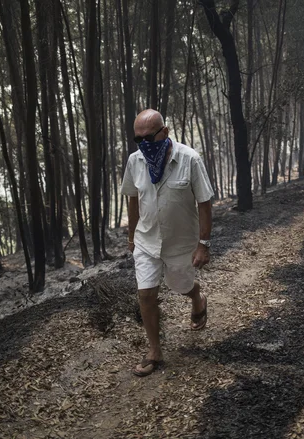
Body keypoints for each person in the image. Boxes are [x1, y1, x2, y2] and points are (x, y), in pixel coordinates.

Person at [121, 109, 214, 377]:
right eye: (139, 139)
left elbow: (205, 201)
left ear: (166, 131)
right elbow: (132, 197)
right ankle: (155, 351)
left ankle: (197, 297)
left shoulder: (189, 159)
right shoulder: (135, 161)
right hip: (146, 240)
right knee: (146, 295)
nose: (145, 144)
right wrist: (131, 235)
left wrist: (203, 243)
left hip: (180, 241)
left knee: (180, 285)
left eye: (150, 137)